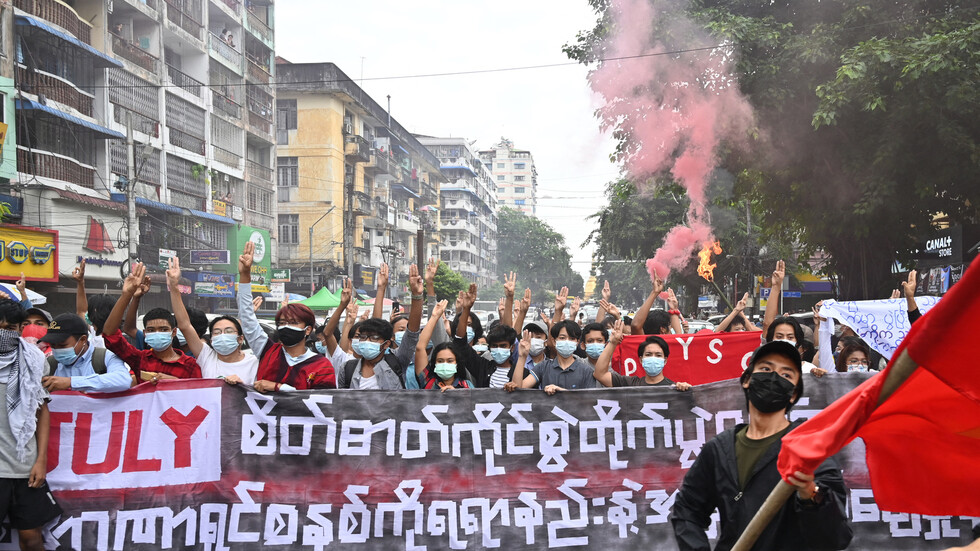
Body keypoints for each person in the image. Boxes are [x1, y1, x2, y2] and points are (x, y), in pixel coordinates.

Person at [671, 340, 853, 551]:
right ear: (747, 380)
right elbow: (687, 511)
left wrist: (811, 494)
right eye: (766, 369)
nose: (774, 378)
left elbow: (836, 538)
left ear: (794, 394)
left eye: (786, 375)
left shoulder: (810, 449)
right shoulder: (719, 450)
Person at [0, 298, 61, 551]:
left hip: (24, 467)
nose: (3, 333)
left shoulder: (34, 360)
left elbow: (41, 411)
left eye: (10, 328)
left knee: (32, 539)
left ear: (19, 330)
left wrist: (40, 460)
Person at [238, 241, 335, 391]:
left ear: (308, 330)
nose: (286, 327)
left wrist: (279, 387)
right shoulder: (268, 351)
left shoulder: (321, 366)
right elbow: (247, 318)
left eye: (293, 322)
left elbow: (323, 401)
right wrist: (245, 275)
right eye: (282, 323)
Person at [102, 263, 201, 381]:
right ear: (144, 333)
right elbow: (110, 335)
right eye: (151, 330)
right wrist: (126, 295)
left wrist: (176, 383)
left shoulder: (190, 365)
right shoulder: (140, 359)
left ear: (174, 332)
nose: (157, 333)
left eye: (163, 329)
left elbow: (200, 390)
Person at [167, 258, 257, 385]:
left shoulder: (254, 363)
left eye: (228, 331)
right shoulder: (206, 356)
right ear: (211, 340)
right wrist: (174, 287)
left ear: (240, 338)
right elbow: (185, 325)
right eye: (217, 332)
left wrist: (245, 273)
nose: (223, 336)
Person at [337, 264, 423, 390]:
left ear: (386, 344)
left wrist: (416, 295)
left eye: (374, 338)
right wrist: (380, 288)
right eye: (363, 337)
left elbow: (412, 334)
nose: (367, 341)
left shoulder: (396, 361)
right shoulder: (347, 369)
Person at [39, 313, 132, 393]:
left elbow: (123, 380)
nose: (57, 349)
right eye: (53, 345)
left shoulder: (105, 358)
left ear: (83, 340)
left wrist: (71, 382)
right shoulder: (49, 364)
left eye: (62, 345)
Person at [593, 320, 692, 389]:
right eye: (648, 354)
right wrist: (613, 343)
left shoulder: (674, 388)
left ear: (665, 360)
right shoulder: (630, 384)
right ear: (641, 359)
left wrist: (688, 391)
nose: (653, 358)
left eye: (658, 355)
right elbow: (600, 374)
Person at [508, 319, 597, 393]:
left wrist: (562, 392)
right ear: (554, 341)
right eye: (562, 338)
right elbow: (518, 389)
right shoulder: (543, 367)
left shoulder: (586, 371)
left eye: (572, 338)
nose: (567, 341)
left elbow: (590, 401)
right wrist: (522, 356)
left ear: (577, 342)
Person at [415, 301, 472, 391]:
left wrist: (457, 393)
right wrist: (434, 317)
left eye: (450, 361)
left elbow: (473, 399)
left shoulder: (467, 385)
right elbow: (420, 347)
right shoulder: (427, 380)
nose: (445, 364)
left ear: (457, 363)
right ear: (434, 363)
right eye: (440, 361)